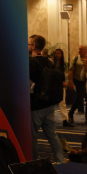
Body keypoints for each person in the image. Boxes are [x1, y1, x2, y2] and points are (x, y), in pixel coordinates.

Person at [28, 35, 66, 163]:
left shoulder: (31, 63)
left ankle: (34, 161)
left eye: (29, 44)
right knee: (52, 135)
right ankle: (60, 161)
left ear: (33, 46)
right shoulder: (49, 62)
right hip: (49, 104)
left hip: (36, 105)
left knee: (32, 137)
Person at [65, 45, 87, 127]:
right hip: (78, 81)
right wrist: (71, 81)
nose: (79, 50)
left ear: (85, 50)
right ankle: (71, 113)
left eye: (81, 49)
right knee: (79, 98)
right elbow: (71, 71)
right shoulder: (75, 59)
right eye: (79, 49)